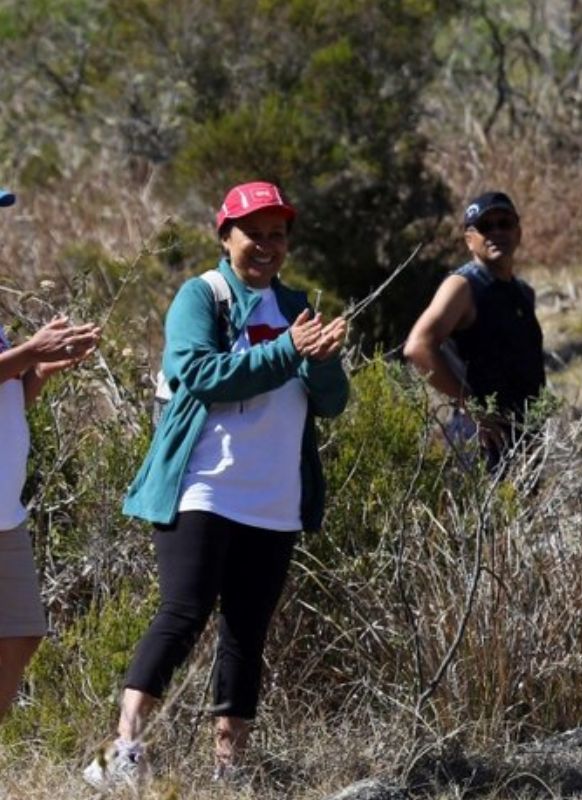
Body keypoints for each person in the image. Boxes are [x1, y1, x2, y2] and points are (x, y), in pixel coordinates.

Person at [85, 181, 349, 787]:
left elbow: (329, 403)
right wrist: (287, 351)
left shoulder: (296, 306)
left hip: (274, 495)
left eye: (276, 234)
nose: (265, 245)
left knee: (247, 631)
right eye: (252, 233)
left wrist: (324, 360)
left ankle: (231, 769)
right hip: (203, 485)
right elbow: (198, 373)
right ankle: (121, 753)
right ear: (224, 235)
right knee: (184, 610)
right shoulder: (200, 296)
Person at [0, 187, 101, 722]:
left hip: (4, 512)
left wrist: (37, 373)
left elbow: (6, 398)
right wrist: (30, 351)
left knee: (22, 632)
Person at [404, 191, 545, 469]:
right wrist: (474, 409)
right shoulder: (463, 286)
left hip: (524, 432)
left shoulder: (523, 293)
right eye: (485, 227)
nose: (496, 232)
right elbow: (418, 346)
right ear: (470, 239)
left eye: (504, 223)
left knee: (526, 512)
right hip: (479, 435)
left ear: (518, 232)